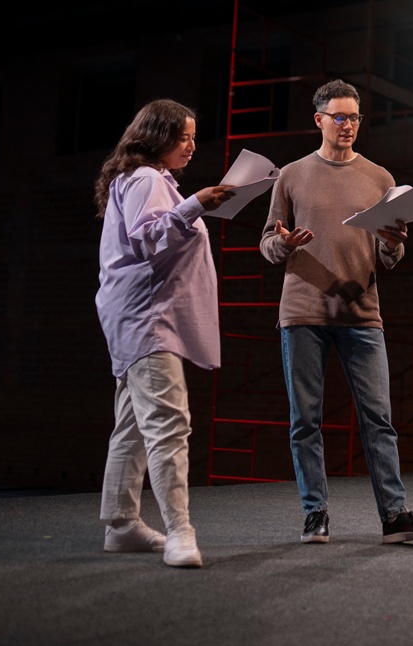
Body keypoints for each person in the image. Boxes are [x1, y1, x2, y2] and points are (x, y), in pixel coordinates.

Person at [259, 79, 413, 546]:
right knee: (306, 420)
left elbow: (389, 257)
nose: (348, 125)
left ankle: (394, 517)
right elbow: (267, 244)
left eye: (355, 118)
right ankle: (315, 514)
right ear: (319, 120)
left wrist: (391, 244)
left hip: (362, 313)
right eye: (340, 117)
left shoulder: (380, 178)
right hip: (303, 312)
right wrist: (284, 243)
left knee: (378, 418)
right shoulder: (292, 175)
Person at [94, 99, 236, 568]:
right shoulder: (146, 180)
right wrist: (197, 204)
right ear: (157, 137)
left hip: (137, 316)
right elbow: (147, 239)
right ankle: (180, 532)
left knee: (134, 424)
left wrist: (193, 204)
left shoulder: (143, 179)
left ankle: (121, 526)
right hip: (149, 318)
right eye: (182, 137)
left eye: (194, 137)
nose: (191, 146)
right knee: (168, 424)